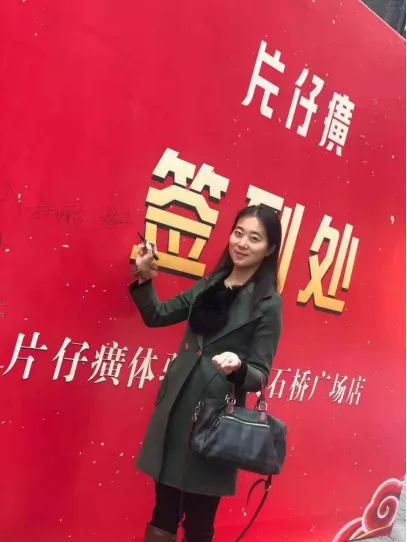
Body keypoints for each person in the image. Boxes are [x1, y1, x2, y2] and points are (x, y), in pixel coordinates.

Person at [130, 204, 283, 542]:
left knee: (199, 523)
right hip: (175, 412)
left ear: (270, 248)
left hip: (214, 424)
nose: (242, 243)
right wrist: (144, 274)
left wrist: (238, 367)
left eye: (254, 238)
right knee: (163, 512)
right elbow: (157, 315)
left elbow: (260, 374)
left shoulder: (268, 303)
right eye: (238, 233)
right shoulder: (210, 283)